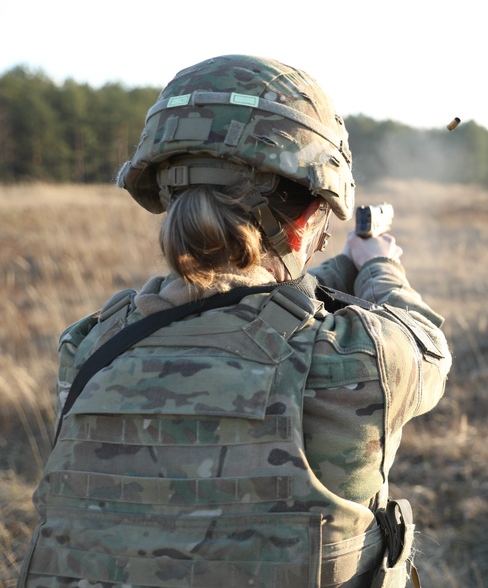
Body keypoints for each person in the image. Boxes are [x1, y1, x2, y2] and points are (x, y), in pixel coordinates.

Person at [18, 55, 451, 588]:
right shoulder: (350, 357)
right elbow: (425, 340)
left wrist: (345, 265)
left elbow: (242, 294)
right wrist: (379, 262)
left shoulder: (88, 347)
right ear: (304, 222)